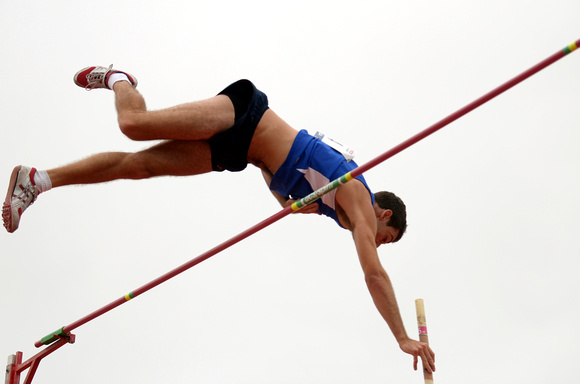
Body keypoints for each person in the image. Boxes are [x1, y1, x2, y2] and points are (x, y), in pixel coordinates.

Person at [2, 65, 435, 373]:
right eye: (387, 236)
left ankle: (38, 181)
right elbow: (374, 276)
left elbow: (279, 184)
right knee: (134, 124)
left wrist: (282, 192)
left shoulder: (330, 203)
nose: (378, 243)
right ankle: (120, 79)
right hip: (245, 116)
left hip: (239, 154)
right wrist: (400, 337)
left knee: (140, 166)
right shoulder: (358, 197)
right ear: (383, 213)